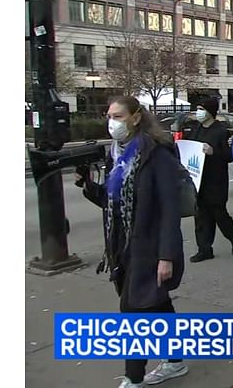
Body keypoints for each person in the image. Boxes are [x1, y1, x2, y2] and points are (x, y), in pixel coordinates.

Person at [76, 96, 187, 388]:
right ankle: (175, 360)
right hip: (122, 246)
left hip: (148, 249)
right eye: (109, 115)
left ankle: (133, 377)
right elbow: (114, 202)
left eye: (118, 116)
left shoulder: (157, 155)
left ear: (136, 118)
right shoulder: (117, 154)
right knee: (158, 304)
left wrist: (167, 256)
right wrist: (89, 186)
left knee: (133, 312)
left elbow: (169, 209)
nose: (112, 122)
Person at [185, 98, 233, 263]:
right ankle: (204, 249)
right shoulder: (196, 130)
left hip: (216, 180)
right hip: (198, 179)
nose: (198, 112)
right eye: (197, 109)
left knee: (219, 214)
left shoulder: (221, 131)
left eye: (201, 109)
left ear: (210, 111)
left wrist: (213, 152)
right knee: (201, 216)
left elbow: (228, 156)